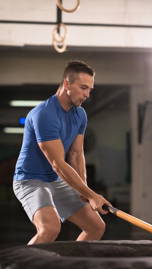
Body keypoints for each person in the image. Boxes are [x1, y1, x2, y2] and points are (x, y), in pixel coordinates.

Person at [13, 60, 112, 245]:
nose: (87, 94)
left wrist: (83, 188)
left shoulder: (80, 114)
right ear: (67, 84)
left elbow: (76, 154)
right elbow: (58, 164)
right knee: (50, 228)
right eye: (83, 88)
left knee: (96, 226)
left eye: (90, 89)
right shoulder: (44, 114)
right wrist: (92, 195)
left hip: (56, 180)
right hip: (30, 180)